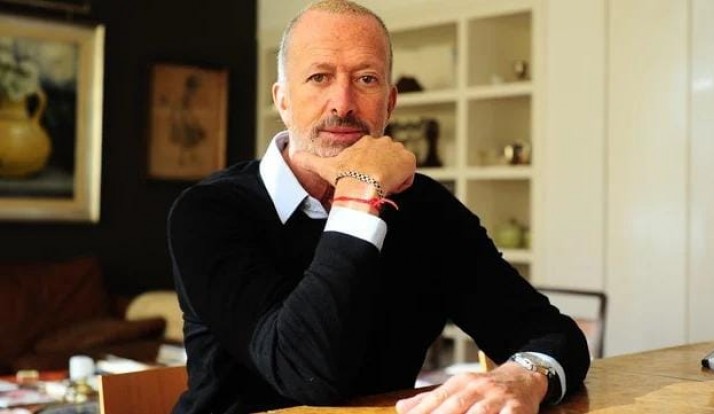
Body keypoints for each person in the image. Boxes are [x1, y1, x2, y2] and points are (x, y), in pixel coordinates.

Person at [167, 1, 590, 413]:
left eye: (366, 79)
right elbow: (307, 373)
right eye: (319, 77)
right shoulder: (209, 213)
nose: (343, 103)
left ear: (389, 103)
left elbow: (550, 333)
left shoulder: (427, 209)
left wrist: (524, 376)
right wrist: (359, 194)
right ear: (283, 101)